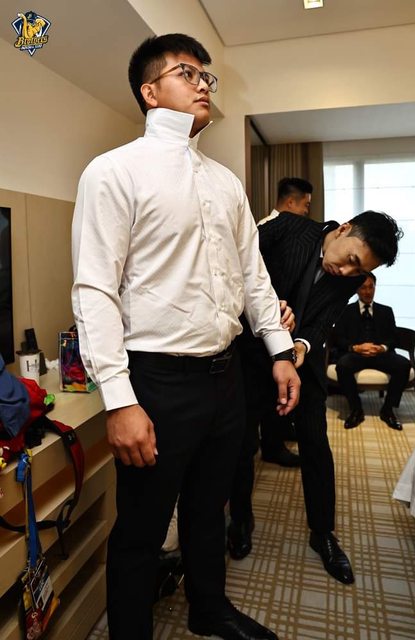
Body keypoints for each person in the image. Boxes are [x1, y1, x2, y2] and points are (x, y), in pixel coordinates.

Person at [71, 33, 300, 640]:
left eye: (206, 76)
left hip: (226, 374)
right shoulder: (113, 171)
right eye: (186, 73)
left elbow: (253, 276)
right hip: (157, 380)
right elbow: (94, 290)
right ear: (150, 92)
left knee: (209, 504)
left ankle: (209, 608)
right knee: (142, 527)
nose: (203, 84)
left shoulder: (225, 182)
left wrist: (279, 352)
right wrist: (118, 400)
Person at [228, 210, 403, 585]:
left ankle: (322, 533)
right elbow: (234, 263)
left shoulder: (349, 277)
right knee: (242, 444)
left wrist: (303, 345)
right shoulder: (288, 228)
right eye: (351, 259)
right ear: (344, 229)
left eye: (359, 271)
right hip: (251, 355)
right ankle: (240, 519)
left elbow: (324, 320)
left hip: (301, 363)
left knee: (316, 445)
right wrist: (267, 307)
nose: (348, 272)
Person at [257, 177, 314, 468]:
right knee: (268, 389)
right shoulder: (267, 230)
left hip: (284, 323)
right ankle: (272, 445)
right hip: (266, 325)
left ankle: (278, 433)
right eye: (305, 205)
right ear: (291, 202)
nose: (306, 212)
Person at [332, 273, 411, 430]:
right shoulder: (346, 311)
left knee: (404, 365)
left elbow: (394, 338)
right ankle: (356, 409)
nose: (368, 292)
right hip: (356, 354)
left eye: (371, 287)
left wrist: (382, 347)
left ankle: (388, 409)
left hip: (380, 354)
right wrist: (355, 347)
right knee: (342, 366)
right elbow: (338, 338)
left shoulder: (386, 311)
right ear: (356, 290)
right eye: (363, 288)